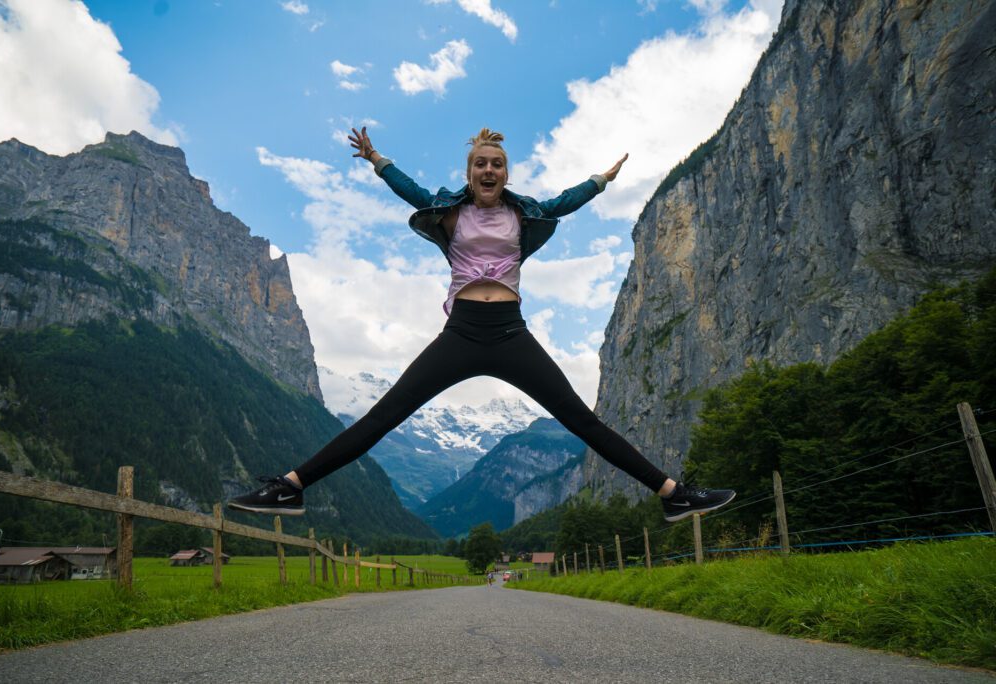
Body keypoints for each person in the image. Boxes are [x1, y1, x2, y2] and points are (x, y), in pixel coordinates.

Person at [228, 127, 735, 523]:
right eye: (479, 164)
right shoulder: (449, 214)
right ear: (469, 173)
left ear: (506, 174)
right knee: (384, 416)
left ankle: (674, 495)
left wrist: (601, 180)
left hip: (511, 332)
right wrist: (378, 160)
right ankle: (289, 487)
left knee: (583, 422)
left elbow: (564, 202)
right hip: (462, 332)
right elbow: (412, 191)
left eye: (496, 164)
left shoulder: (523, 215)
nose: (488, 169)